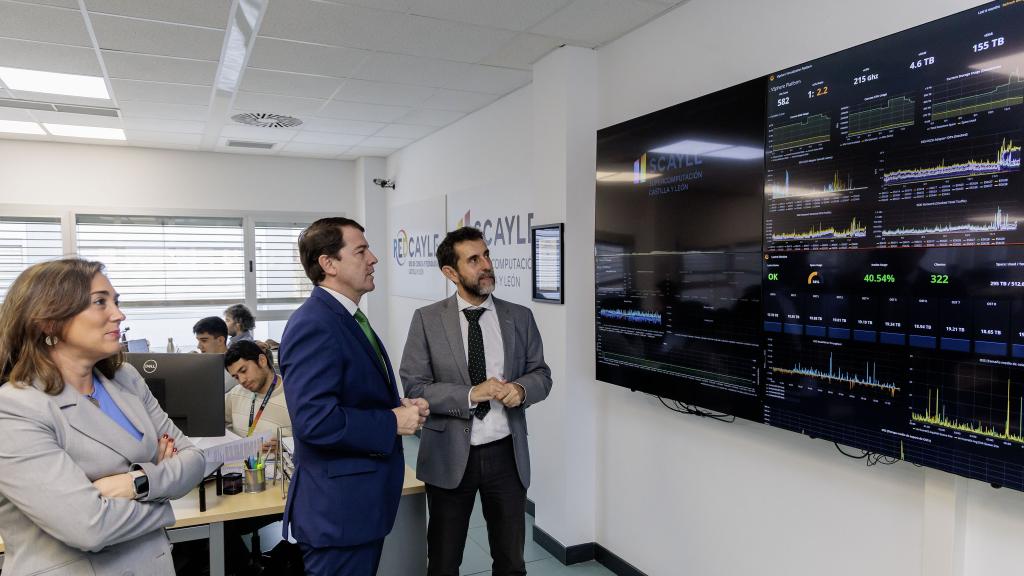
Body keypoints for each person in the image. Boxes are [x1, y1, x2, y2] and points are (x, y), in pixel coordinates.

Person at [0, 259, 206, 575]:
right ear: (48, 322)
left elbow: (193, 460)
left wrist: (136, 484)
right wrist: (163, 498)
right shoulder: (16, 408)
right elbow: (89, 526)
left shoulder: (126, 379)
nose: (118, 314)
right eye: (100, 302)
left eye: (116, 301)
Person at [279, 217, 428, 576]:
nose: (373, 258)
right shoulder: (315, 324)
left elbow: (350, 395)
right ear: (328, 264)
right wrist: (392, 421)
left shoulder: (346, 318)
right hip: (339, 514)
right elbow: (316, 422)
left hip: (356, 507)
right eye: (361, 250)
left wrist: (396, 408)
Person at [401, 226, 552, 576]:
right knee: (443, 560)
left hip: (506, 456)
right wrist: (472, 393)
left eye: (486, 255)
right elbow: (415, 386)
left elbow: (541, 374)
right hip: (449, 456)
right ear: (450, 273)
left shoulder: (519, 316)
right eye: (474, 259)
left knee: (511, 561)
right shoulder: (426, 320)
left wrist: (523, 390)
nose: (486, 265)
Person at [225, 340, 290, 451]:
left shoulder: (293, 395)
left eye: (244, 370)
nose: (242, 380)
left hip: (276, 465)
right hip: (239, 466)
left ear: (262, 360)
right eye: (236, 377)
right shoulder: (235, 394)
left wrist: (286, 446)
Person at [192, 316, 236, 393]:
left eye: (204, 340)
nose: (199, 346)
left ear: (220, 340)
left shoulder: (233, 368)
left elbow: (209, 393)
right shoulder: (208, 363)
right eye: (198, 341)